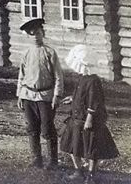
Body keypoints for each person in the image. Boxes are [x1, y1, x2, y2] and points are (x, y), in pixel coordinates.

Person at [59, 44, 119, 180]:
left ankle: (91, 175)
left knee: (92, 148)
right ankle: (78, 171)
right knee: (73, 146)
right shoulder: (82, 78)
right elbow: (82, 94)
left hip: (87, 120)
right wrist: (72, 98)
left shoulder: (93, 80)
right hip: (76, 118)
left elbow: (94, 100)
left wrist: (89, 119)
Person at [16, 17, 64, 169]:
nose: (35, 36)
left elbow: (58, 76)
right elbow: (21, 76)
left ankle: (53, 161)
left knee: (47, 128)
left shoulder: (49, 53)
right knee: (31, 128)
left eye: (38, 33)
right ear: (28, 36)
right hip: (28, 96)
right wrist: (20, 95)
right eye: (32, 34)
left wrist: (57, 95)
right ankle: (37, 158)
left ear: (42, 33)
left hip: (45, 97)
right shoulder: (26, 53)